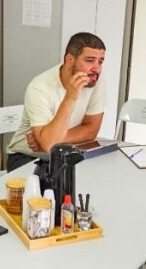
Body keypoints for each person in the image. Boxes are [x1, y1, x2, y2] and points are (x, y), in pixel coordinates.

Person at [6, 32, 106, 171]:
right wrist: (70, 97)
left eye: (100, 61)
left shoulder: (95, 80)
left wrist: (51, 141)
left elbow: (91, 131)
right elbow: (49, 144)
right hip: (28, 157)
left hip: (66, 152)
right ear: (69, 59)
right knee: (58, 187)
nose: (97, 69)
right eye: (89, 60)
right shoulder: (39, 87)